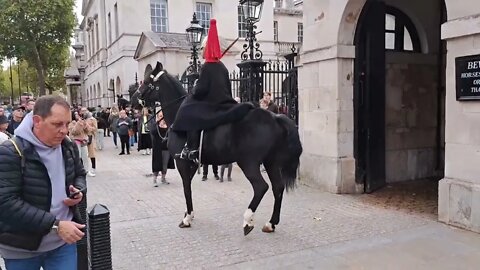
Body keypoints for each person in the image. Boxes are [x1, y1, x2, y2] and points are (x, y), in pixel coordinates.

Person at [0, 95, 87, 269]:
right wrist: (55, 225)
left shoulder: (67, 145)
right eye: (57, 124)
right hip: (22, 247)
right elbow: (5, 202)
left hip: (62, 243)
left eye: (67, 124)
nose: (64, 130)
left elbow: (80, 173)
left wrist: (78, 190)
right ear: (37, 121)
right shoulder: (10, 152)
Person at [172, 18, 251, 161]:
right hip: (225, 102)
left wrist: (194, 90)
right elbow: (227, 88)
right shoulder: (222, 66)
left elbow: (201, 90)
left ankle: (192, 149)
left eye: (203, 48)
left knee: (187, 111)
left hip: (212, 104)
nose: (202, 51)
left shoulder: (207, 66)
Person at [149, 110, 175, 187]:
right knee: (157, 164)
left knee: (165, 164)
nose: (162, 118)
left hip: (166, 148)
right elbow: (152, 132)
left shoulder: (168, 125)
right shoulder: (155, 125)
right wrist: (158, 124)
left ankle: (163, 178)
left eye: (163, 116)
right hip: (157, 148)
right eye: (160, 116)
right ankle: (154, 179)